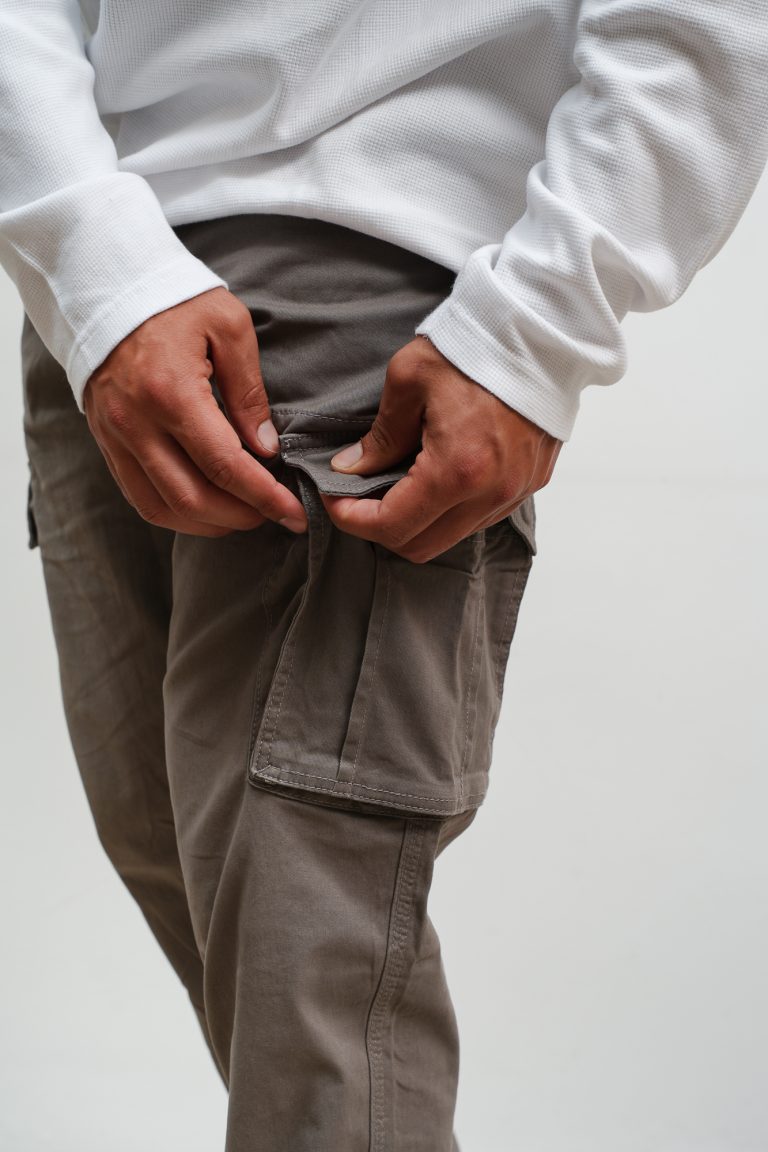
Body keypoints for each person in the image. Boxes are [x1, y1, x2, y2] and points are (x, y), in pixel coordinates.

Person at [2, 3, 766, 1149]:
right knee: (230, 937)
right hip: (97, 299)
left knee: (310, 1002)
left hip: (356, 287)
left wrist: (540, 323)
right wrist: (87, 255)